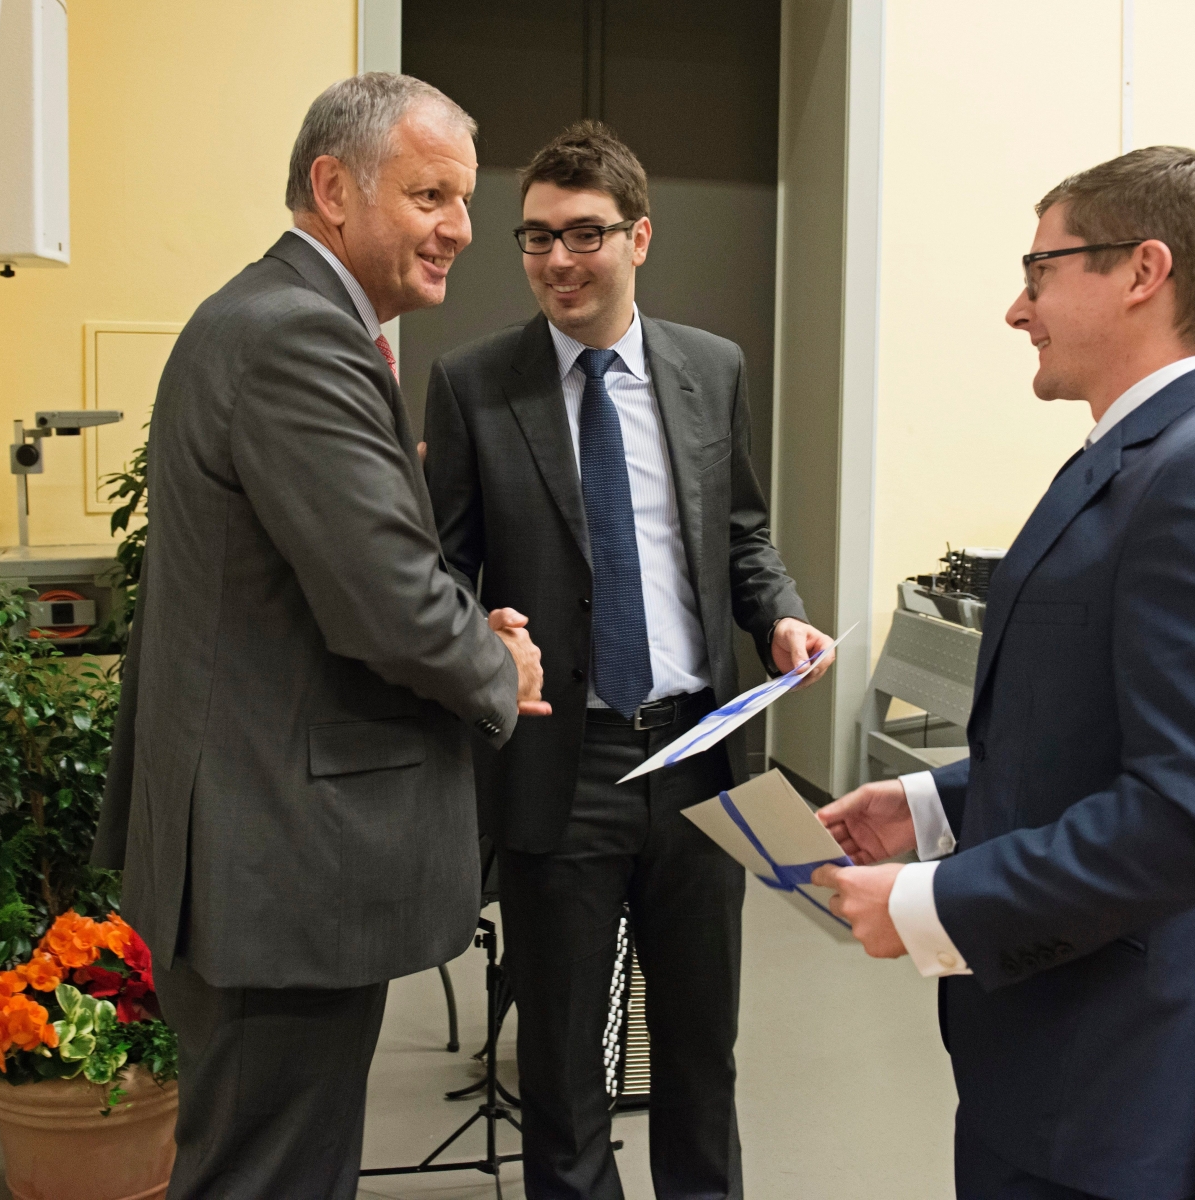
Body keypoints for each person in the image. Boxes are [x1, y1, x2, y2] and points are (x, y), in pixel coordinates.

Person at [813, 147, 1195, 1200]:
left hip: (1123, 1074)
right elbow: (1091, 736)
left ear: (1143, 271)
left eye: (1040, 270)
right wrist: (932, 805)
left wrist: (938, 901)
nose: (1017, 307)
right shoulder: (1132, 454)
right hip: (1049, 1046)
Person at [92, 74, 549, 1198]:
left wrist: (454, 617)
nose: (460, 228)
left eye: (464, 199)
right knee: (273, 1175)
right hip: (279, 862)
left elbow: (331, 570)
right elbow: (387, 600)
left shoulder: (272, 317)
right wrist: (497, 660)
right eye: (431, 194)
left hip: (257, 849)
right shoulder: (301, 335)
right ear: (333, 188)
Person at [423, 120, 831, 1200]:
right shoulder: (474, 385)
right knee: (561, 1070)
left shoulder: (710, 368)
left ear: (638, 237)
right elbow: (440, 572)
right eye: (536, 238)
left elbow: (741, 531)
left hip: (700, 759)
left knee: (701, 1054)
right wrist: (484, 643)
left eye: (585, 235)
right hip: (566, 768)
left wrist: (780, 618)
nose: (558, 260)